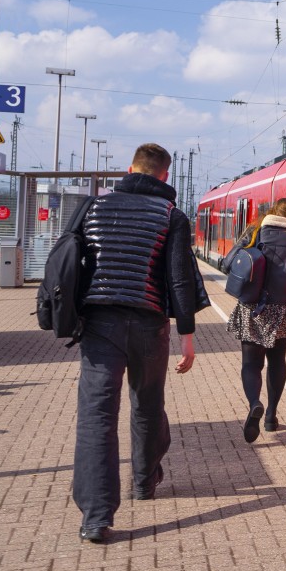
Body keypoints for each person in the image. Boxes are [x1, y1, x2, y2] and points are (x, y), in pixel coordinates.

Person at [74, 143, 209, 544]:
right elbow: (180, 281)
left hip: (99, 323)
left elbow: (72, 263)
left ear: (129, 168)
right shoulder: (172, 216)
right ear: (164, 176)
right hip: (150, 324)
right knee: (147, 405)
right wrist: (188, 338)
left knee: (97, 415)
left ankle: (96, 518)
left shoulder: (92, 208)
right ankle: (144, 482)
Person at [227, 197, 286, 442]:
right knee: (277, 361)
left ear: (274, 211)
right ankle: (271, 418)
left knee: (251, 364)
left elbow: (230, 262)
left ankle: (255, 403)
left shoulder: (256, 230)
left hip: (254, 306)